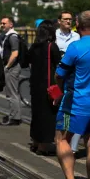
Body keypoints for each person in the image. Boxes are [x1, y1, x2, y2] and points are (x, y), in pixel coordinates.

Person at [53, 11, 90, 179]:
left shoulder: (75, 47)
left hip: (76, 102)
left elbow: (60, 74)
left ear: (78, 24)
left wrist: (59, 90)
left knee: (62, 139)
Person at [27, 20, 60, 155]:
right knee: (48, 116)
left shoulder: (34, 47)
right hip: (48, 87)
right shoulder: (52, 46)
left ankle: (35, 142)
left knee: (36, 115)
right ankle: (43, 146)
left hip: (35, 86)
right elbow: (59, 65)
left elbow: (26, 61)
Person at [0, 16, 22, 126]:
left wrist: (7, 66)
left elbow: (15, 53)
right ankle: (13, 115)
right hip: (11, 67)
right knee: (11, 92)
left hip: (12, 68)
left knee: (12, 93)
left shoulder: (12, 36)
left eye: (4, 23)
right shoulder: (8, 36)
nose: (2, 25)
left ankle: (14, 117)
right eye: (1, 23)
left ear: (11, 24)